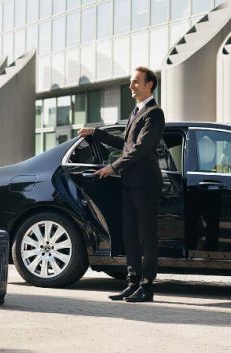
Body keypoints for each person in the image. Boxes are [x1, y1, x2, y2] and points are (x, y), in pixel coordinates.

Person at [78, 67, 165, 302]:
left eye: (136, 82)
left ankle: (147, 287)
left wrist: (112, 167)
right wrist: (97, 133)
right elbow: (125, 143)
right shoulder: (136, 112)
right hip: (129, 184)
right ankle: (132, 282)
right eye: (130, 82)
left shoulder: (154, 114)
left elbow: (140, 148)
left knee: (147, 237)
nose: (131, 86)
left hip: (146, 185)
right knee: (129, 236)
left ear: (150, 85)